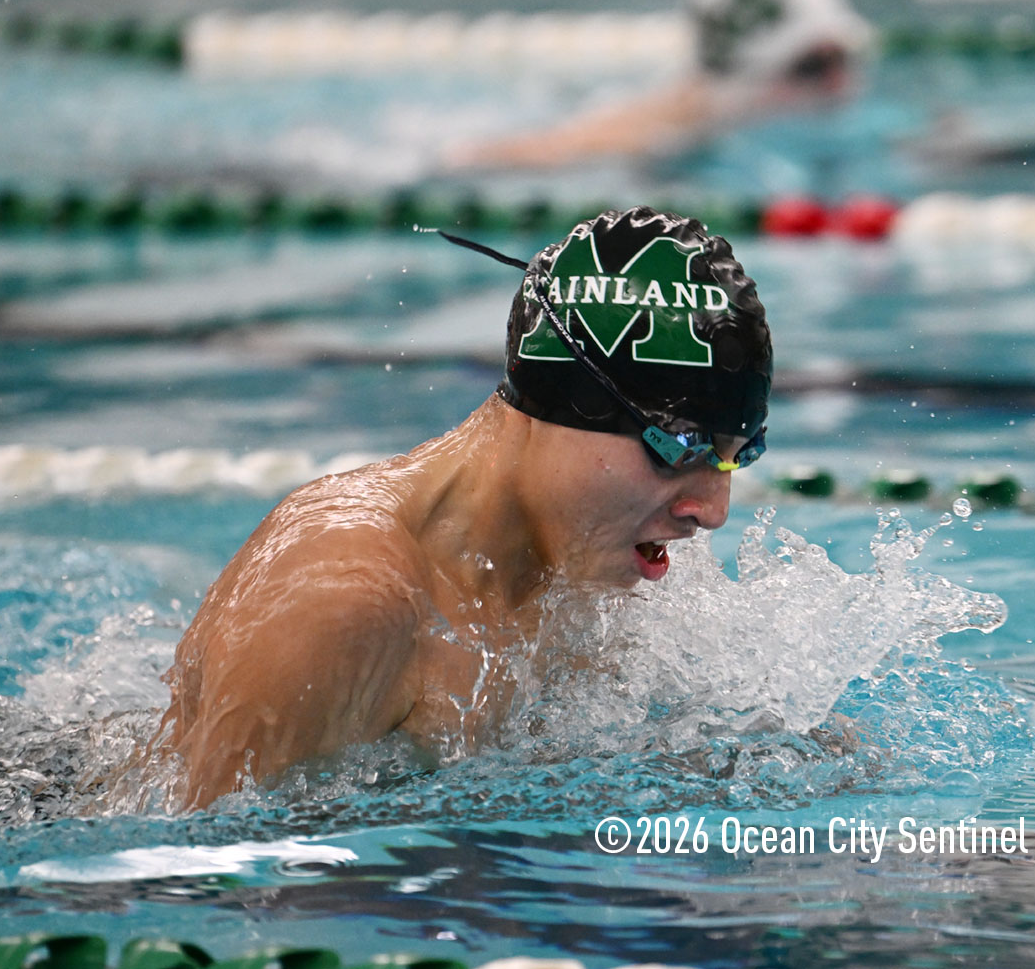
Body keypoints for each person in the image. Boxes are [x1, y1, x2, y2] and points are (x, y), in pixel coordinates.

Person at [149, 206, 773, 809]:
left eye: (735, 456)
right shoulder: (343, 600)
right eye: (680, 448)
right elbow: (210, 863)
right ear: (563, 400)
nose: (712, 510)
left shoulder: (576, 578)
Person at [441, 0, 873, 173]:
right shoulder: (667, 128)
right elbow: (493, 156)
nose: (840, 84)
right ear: (743, 75)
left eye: (845, 57)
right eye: (810, 69)